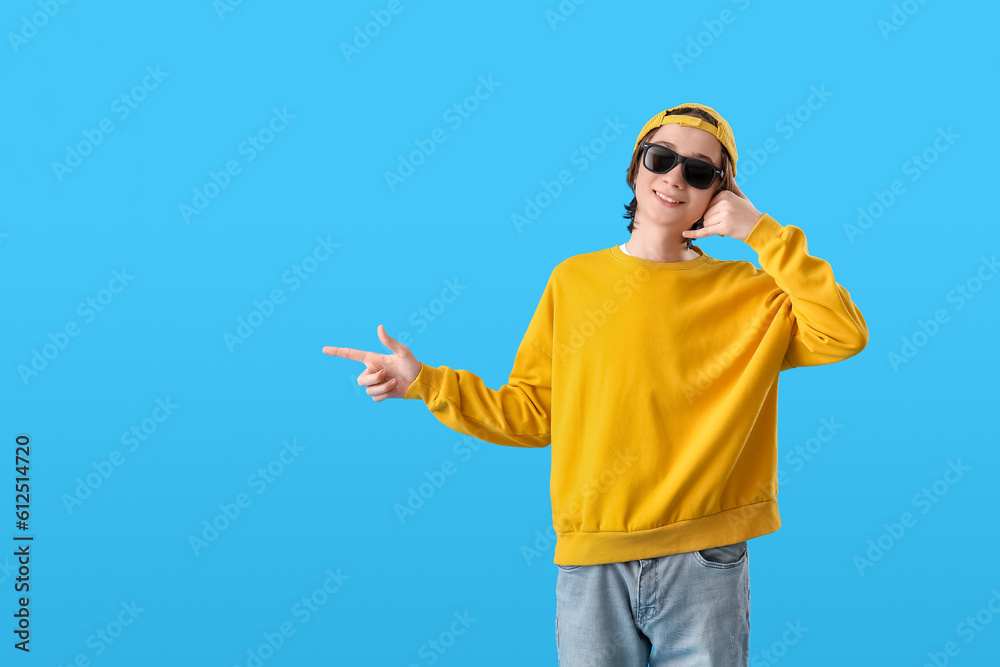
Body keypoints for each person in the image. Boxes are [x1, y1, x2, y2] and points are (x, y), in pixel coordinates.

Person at [322, 103, 869, 666]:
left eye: (700, 171)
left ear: (719, 194)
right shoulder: (574, 282)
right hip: (592, 556)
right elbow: (534, 414)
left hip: (703, 554)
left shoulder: (751, 294)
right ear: (635, 169)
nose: (676, 177)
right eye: (661, 159)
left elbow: (842, 333)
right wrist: (425, 383)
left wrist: (763, 232)